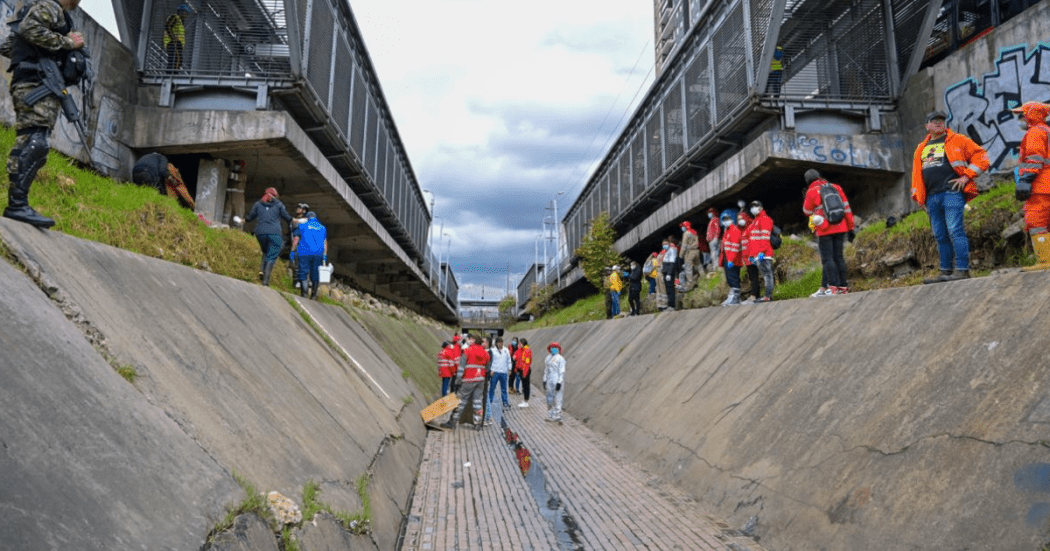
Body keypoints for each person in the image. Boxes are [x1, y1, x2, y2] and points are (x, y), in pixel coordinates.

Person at [0, 0, 86, 229]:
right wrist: (68, 42)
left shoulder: (53, 13)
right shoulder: (50, 6)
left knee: (34, 142)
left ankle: (18, 203)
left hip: (37, 83)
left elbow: (12, 45)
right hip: (34, 85)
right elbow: (29, 29)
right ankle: (17, 205)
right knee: (34, 143)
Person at [911, 110, 988, 283]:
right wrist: (919, 197)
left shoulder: (958, 140)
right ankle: (945, 272)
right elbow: (916, 174)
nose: (939, 122)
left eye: (941, 120)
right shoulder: (920, 148)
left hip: (951, 193)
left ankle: (962, 270)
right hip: (932, 197)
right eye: (934, 120)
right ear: (927, 125)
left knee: (955, 230)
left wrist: (966, 176)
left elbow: (981, 156)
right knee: (940, 235)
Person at [803, 169, 855, 294]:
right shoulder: (835, 187)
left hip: (824, 229)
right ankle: (843, 287)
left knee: (828, 259)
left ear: (808, 181)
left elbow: (806, 211)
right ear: (819, 176)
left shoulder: (811, 191)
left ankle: (832, 287)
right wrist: (850, 227)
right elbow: (846, 208)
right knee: (839, 257)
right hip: (841, 226)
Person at [1011, 102, 1050, 268]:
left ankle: (1044, 261)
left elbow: (1035, 158)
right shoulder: (1046, 131)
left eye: (1022, 115)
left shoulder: (1034, 132)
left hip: (1040, 185)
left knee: (1036, 221)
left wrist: (1026, 180)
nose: (1020, 119)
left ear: (1031, 115)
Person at [245, 187, 292, 286]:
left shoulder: (258, 204)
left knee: (266, 251)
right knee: (271, 255)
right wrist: (293, 221)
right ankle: (266, 281)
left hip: (260, 233)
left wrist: (244, 220)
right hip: (274, 233)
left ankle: (262, 270)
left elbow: (250, 217)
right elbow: (287, 217)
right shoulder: (279, 205)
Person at [442, 334, 490, 431]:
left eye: (471, 340)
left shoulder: (467, 351)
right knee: (478, 402)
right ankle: (478, 422)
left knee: (461, 401)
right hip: (480, 380)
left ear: (473, 341)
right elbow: (487, 368)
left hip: (468, 379)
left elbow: (461, 368)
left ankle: (453, 421)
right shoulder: (486, 354)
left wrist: (458, 380)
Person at [745, 201, 776, 302]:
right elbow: (751, 239)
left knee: (767, 275)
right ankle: (767, 296)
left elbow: (765, 238)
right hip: (757, 254)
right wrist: (751, 255)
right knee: (765, 275)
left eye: (756, 206)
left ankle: (768, 296)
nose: (753, 208)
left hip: (764, 254)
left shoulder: (765, 220)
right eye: (752, 206)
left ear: (761, 208)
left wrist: (762, 252)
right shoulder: (755, 221)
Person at [294, 212, 328, 299]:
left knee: (303, 272)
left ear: (308, 217)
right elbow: (325, 243)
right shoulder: (322, 228)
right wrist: (324, 255)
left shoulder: (302, 226)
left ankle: (304, 294)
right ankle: (313, 296)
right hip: (318, 254)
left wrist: (292, 250)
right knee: (315, 274)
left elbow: (296, 239)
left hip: (304, 252)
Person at [485, 337, 512, 424]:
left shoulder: (506, 350)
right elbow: (489, 361)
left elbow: (509, 360)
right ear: (496, 343)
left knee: (504, 389)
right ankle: (490, 402)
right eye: (499, 342)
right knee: (492, 388)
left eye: (501, 342)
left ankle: (505, 402)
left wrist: (509, 369)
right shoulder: (492, 351)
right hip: (495, 372)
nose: (500, 344)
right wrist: (490, 370)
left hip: (503, 372)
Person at [719, 209, 743, 305]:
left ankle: (736, 298)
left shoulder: (734, 230)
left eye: (727, 219)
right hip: (727, 259)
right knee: (730, 279)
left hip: (733, 260)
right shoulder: (726, 231)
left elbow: (735, 246)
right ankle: (732, 297)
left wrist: (731, 259)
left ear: (732, 219)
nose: (725, 221)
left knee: (734, 278)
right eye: (724, 219)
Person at [164, 4, 193, 72]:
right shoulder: (175, 17)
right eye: (186, 13)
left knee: (178, 58)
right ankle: (171, 74)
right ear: (182, 12)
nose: (187, 15)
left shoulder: (180, 21)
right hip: (173, 42)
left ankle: (174, 73)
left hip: (177, 42)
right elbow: (168, 26)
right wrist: (173, 38)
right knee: (175, 58)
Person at [543, 342, 566, 423]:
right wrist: (544, 380)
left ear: (558, 349)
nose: (553, 349)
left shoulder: (560, 359)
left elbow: (561, 372)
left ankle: (557, 415)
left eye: (555, 347)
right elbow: (546, 370)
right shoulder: (547, 358)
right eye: (552, 347)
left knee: (557, 397)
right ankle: (551, 414)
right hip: (549, 379)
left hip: (557, 378)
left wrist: (559, 382)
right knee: (549, 397)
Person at [288, 202, 309, 288]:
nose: (297, 209)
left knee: (298, 264)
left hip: (301, 245)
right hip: (295, 242)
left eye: (299, 208)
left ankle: (297, 282)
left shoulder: (304, 221)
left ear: (304, 211)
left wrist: (292, 250)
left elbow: (297, 235)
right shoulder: (297, 221)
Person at [678, 221, 701, 292]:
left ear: (686, 226)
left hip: (689, 252)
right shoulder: (694, 232)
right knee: (699, 265)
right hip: (696, 251)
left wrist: (681, 255)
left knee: (688, 268)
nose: (682, 228)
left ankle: (690, 284)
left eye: (683, 226)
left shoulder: (686, 233)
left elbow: (684, 246)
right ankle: (704, 277)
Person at [661, 238, 678, 310]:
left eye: (666, 244)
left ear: (668, 244)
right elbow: (664, 263)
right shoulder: (666, 252)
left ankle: (672, 305)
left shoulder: (672, 250)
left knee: (670, 289)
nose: (664, 246)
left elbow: (671, 263)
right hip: (665, 272)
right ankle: (669, 305)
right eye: (663, 245)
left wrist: (669, 274)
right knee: (667, 290)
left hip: (669, 273)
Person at [515, 338, 533, 408]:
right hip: (523, 370)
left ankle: (526, 401)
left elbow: (527, 363)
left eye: (520, 343)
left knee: (526, 386)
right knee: (524, 385)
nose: (519, 345)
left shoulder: (527, 351)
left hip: (525, 370)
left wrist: (524, 373)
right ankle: (525, 400)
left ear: (522, 343)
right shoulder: (524, 350)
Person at [705, 207, 721, 272]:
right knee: (713, 254)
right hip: (711, 240)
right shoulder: (711, 220)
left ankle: (717, 267)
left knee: (716, 254)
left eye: (710, 213)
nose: (709, 214)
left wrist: (716, 237)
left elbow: (717, 228)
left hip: (714, 240)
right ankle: (715, 267)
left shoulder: (715, 219)